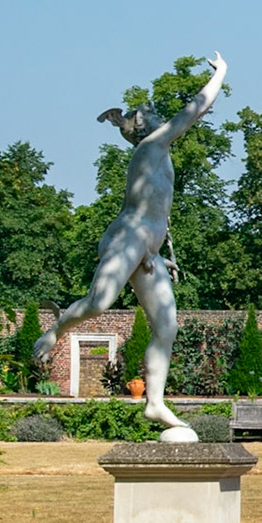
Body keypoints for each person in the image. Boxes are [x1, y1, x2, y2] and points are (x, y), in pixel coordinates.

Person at [35, 54, 227, 436]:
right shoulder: (151, 146)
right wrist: (221, 72)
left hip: (149, 252)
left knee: (167, 326)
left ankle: (154, 403)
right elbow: (195, 109)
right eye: (152, 114)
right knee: (99, 302)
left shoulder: (161, 154)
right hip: (129, 236)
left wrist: (159, 252)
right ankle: (55, 329)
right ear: (143, 127)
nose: (160, 116)